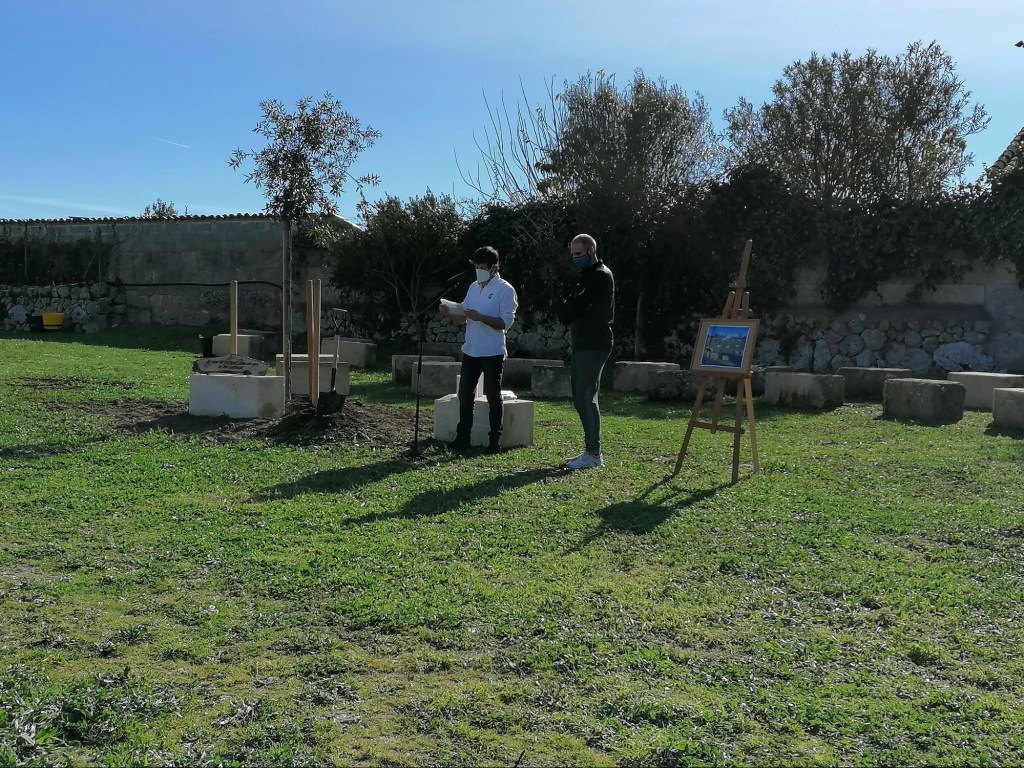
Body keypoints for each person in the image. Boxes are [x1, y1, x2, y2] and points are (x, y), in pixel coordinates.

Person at [439, 246, 518, 452]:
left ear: (494, 268)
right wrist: (449, 312)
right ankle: (463, 437)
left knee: (493, 397)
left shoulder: (505, 289)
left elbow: (505, 323)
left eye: (482, 267)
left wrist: (480, 317)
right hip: (471, 350)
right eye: (476, 267)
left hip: (492, 352)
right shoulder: (473, 287)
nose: (479, 271)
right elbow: (463, 318)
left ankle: (494, 441)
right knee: (465, 395)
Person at [563, 234, 614, 470]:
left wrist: (569, 305)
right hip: (582, 342)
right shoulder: (583, 276)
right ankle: (590, 449)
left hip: (595, 342)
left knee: (586, 396)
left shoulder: (600, 275)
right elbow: (569, 308)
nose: (575, 258)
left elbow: (576, 307)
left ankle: (594, 453)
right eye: (572, 254)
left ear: (590, 250)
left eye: (578, 254)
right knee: (578, 396)